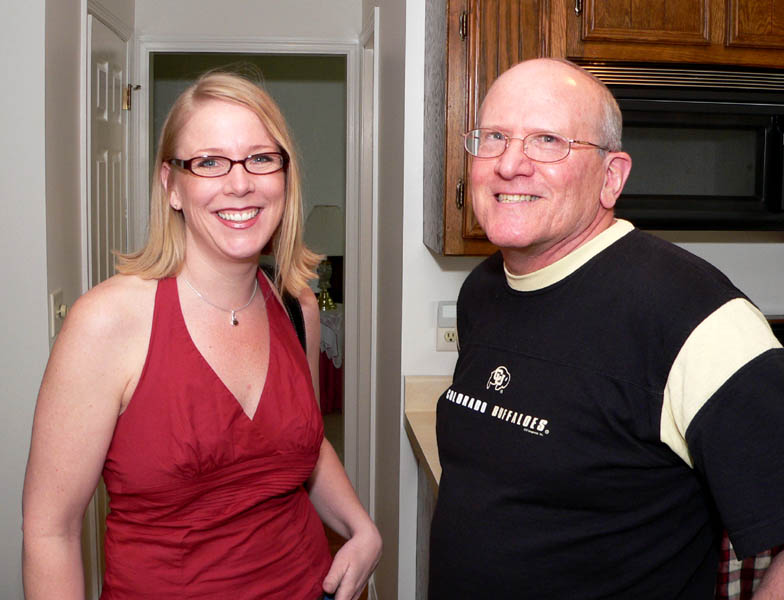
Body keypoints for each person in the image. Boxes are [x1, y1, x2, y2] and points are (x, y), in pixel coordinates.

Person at [428, 57, 784, 599]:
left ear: (611, 177)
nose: (510, 164)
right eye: (494, 137)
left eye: (547, 141)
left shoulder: (697, 316)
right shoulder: (483, 290)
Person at [22, 71, 381, 600]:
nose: (240, 183)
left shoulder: (295, 307)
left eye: (260, 158)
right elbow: (50, 531)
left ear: (285, 176)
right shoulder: (107, 322)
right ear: (171, 185)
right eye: (209, 162)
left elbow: (304, 442)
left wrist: (362, 528)